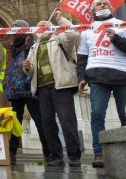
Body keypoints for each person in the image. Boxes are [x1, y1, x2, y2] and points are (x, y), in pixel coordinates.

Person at [76, 0, 126, 168]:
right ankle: (99, 154)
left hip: (122, 75)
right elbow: (82, 58)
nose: (102, 5)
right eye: (98, 3)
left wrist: (116, 38)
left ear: (112, 8)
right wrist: (81, 78)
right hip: (97, 76)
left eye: (105, 3)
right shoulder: (86, 31)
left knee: (125, 115)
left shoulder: (122, 25)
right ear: (92, 10)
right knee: (97, 114)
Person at [23, 12, 82, 167]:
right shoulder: (34, 46)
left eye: (45, 26)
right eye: (40, 26)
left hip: (61, 86)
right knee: (48, 123)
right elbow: (31, 70)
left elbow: (74, 34)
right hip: (43, 88)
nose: (42, 28)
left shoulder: (60, 39)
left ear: (51, 28)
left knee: (67, 121)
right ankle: (56, 156)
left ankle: (74, 156)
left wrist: (60, 20)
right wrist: (27, 68)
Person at [5, 20, 50, 166]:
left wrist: (28, 79)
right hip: (15, 90)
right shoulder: (13, 47)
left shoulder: (32, 43)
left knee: (39, 120)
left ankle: (48, 153)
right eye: (13, 29)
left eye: (16, 29)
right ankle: (12, 153)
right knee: (15, 122)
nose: (14, 32)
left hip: (30, 88)